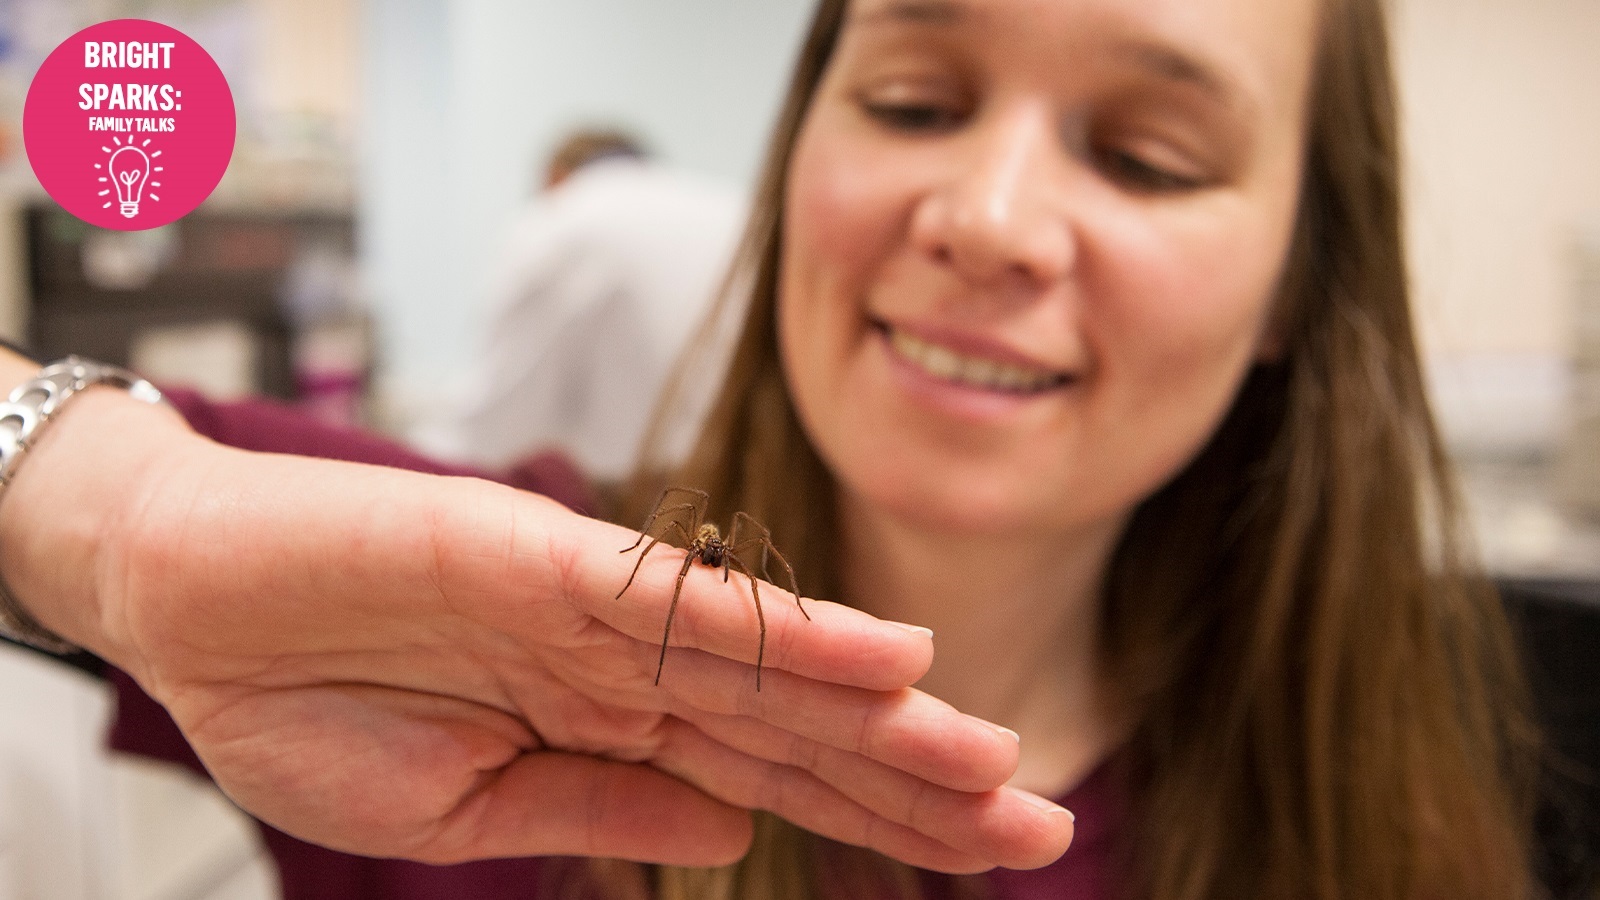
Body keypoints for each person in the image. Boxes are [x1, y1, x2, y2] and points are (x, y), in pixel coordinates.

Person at [0, 0, 1543, 898]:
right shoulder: (480, 622)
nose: (988, 221)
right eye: (913, 100)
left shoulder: (1381, 818)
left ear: (1296, 288)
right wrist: (117, 513)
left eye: (1144, 156)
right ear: (796, 153)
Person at [414, 128, 747, 483]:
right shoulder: (730, 206)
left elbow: (491, 424)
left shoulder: (564, 219)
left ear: (556, 177)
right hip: (756, 481)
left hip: (646, 495)